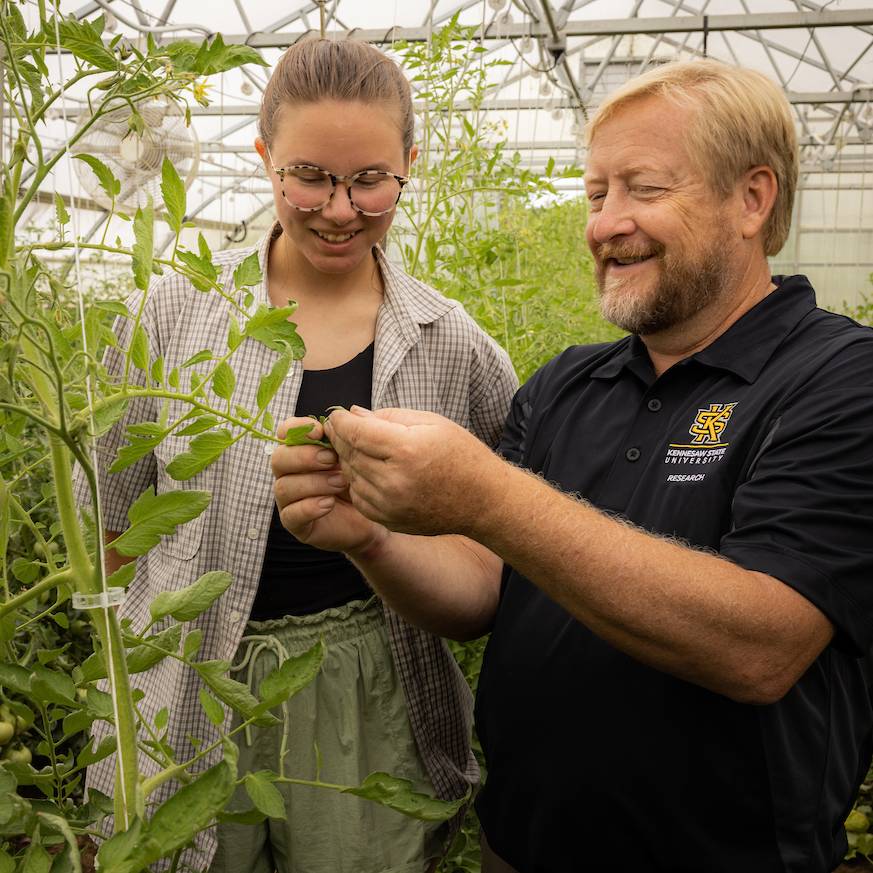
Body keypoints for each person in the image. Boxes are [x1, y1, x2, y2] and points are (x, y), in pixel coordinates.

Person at [272, 59, 873, 873]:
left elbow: (760, 645)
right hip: (518, 846)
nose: (605, 224)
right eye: (596, 195)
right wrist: (370, 537)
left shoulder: (836, 379)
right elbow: (481, 588)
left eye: (644, 189)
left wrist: (486, 494)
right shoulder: (565, 384)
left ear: (751, 198)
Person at [75, 38, 517, 873]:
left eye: (369, 180)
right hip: (186, 679)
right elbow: (109, 518)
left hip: (370, 698)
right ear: (264, 159)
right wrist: (135, 673)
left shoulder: (451, 345)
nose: (340, 208)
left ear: (408, 166)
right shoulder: (172, 315)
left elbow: (499, 537)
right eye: (308, 175)